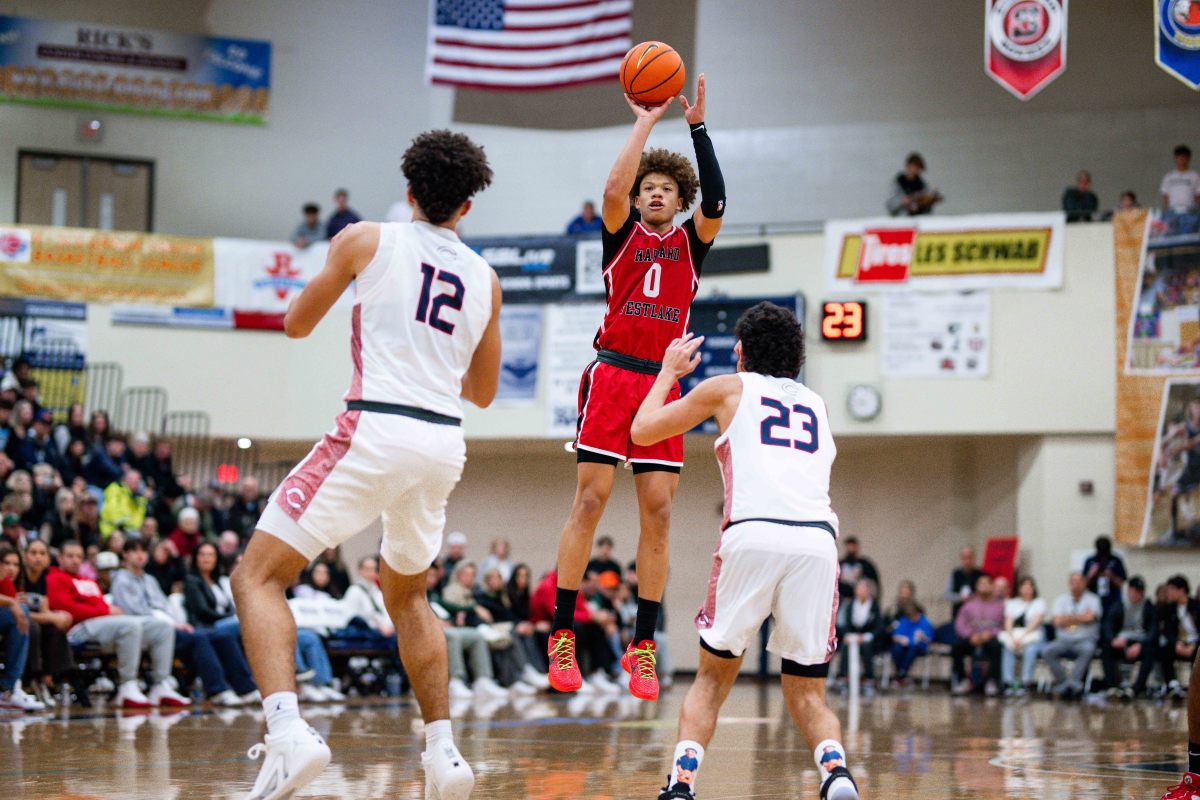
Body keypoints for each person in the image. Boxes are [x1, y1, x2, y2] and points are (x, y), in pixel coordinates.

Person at [228, 129, 499, 800]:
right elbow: (485, 392)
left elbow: (295, 324)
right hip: (442, 444)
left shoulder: (365, 239)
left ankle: (289, 734)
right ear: (467, 206)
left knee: (256, 577)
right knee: (408, 595)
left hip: (375, 426)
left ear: (409, 192)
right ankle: (444, 755)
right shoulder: (485, 278)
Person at [629, 301, 858, 800]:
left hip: (753, 533)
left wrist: (667, 371)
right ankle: (837, 774)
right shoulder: (817, 404)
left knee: (711, 680)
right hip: (817, 543)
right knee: (808, 689)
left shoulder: (728, 387)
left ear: (740, 352)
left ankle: (682, 784)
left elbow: (642, 431)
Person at [547, 75, 725, 703]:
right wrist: (646, 121)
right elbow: (610, 189)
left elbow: (719, 203)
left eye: (665, 189)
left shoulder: (690, 243)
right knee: (590, 502)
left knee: (659, 513)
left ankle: (643, 643)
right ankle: (562, 632)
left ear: (679, 202)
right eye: (648, 187)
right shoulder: (620, 233)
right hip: (614, 373)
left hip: (663, 384)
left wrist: (697, 128)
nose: (653, 194)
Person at [111, 539, 258, 707]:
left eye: (143, 551)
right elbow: (132, 611)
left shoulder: (149, 580)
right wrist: (171, 623)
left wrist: (172, 622)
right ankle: (218, 690)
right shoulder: (121, 579)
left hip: (167, 627)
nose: (140, 555)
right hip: (145, 630)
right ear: (125, 555)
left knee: (222, 637)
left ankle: (246, 688)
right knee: (199, 638)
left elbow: (164, 606)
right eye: (135, 551)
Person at [48, 540, 190, 709]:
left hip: (103, 625)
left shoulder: (88, 581)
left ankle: (160, 684)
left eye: (79, 556)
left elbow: (100, 606)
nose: (75, 560)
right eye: (70, 556)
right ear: (60, 558)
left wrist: (103, 610)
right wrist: (105, 611)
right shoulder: (54, 578)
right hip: (80, 629)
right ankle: (127, 685)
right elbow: (69, 611)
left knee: (162, 627)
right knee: (130, 625)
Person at [1041, 571, 1102, 699]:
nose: (1076, 584)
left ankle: (1073, 683)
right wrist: (1081, 617)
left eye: (1079, 581)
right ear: (1069, 584)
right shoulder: (1060, 600)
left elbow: (1090, 618)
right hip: (1063, 640)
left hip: (1084, 640)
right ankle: (1065, 683)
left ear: (1085, 583)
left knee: (1088, 649)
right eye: (1073, 582)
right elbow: (1057, 621)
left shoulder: (1093, 599)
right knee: (1047, 650)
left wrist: (1067, 618)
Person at [0, 543, 42, 711]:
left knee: (28, 622)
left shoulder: (8, 582)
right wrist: (12, 602)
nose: (11, 568)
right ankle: (10, 688)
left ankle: (11, 688)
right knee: (22, 615)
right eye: (6, 563)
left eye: (16, 564)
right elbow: (13, 607)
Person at [1102, 575, 1156, 699]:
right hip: (1121, 641)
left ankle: (1136, 688)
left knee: (1150, 651)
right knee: (1106, 648)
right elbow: (1108, 625)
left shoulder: (1148, 606)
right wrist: (1112, 639)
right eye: (1133, 590)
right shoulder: (1118, 605)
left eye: (1139, 591)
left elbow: (1153, 631)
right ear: (1129, 590)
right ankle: (1112, 687)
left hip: (1140, 642)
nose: (1135, 593)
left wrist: (1141, 645)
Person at [950, 573, 1004, 696]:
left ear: (992, 586)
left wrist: (990, 633)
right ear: (976, 587)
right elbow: (960, 624)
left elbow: (1003, 625)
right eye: (981, 584)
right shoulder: (968, 605)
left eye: (987, 584)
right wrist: (970, 635)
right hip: (972, 638)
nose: (984, 587)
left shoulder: (1000, 605)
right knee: (956, 647)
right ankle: (963, 680)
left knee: (997, 647)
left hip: (990, 638)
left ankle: (992, 681)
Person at [998, 576, 1046, 696]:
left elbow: (1035, 623)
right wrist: (1013, 638)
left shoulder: (1039, 603)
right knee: (1007, 648)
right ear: (1019, 589)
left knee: (1030, 650)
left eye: (1030, 586)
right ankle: (1008, 682)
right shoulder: (1013, 603)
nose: (1027, 589)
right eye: (1024, 586)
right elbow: (1008, 622)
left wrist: (1022, 638)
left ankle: (1026, 682)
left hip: (1033, 636)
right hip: (1015, 635)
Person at [835, 578, 882, 694]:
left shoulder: (875, 607)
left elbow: (879, 627)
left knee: (867, 646)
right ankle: (843, 677)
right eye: (859, 588)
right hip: (852, 637)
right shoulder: (850, 605)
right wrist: (847, 635)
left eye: (864, 588)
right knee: (845, 646)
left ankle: (869, 679)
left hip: (868, 639)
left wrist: (866, 636)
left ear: (869, 591)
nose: (861, 591)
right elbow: (844, 623)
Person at [1158, 574, 1200, 699]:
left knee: (1197, 654)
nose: (1168, 592)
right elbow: (1167, 632)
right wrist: (1176, 643)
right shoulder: (1169, 609)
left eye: (1171, 589)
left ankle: (1195, 687)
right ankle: (1172, 684)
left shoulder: (1196, 606)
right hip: (1179, 643)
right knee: (1164, 649)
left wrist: (1194, 646)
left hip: (1195, 643)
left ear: (1181, 590)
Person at [889, 599, 933, 686]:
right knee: (896, 649)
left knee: (912, 649)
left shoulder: (925, 622)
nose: (912, 619)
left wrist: (922, 637)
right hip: (904, 646)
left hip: (918, 647)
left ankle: (900, 674)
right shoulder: (905, 620)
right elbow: (895, 636)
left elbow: (929, 640)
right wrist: (901, 638)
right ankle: (902, 674)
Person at [887, 152, 942, 216]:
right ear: (908, 166)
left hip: (919, 218)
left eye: (918, 168)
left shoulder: (922, 184)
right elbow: (890, 204)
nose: (916, 170)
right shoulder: (898, 182)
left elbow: (927, 204)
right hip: (903, 219)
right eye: (915, 167)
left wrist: (928, 199)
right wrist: (902, 202)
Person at [1082, 535, 1126, 617]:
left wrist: (1110, 575)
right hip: (1093, 599)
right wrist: (1091, 574)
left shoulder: (1116, 560)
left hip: (1112, 600)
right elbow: (1083, 584)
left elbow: (1121, 583)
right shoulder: (1090, 561)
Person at [944, 546, 984, 620]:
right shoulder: (955, 574)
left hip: (977, 614)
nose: (967, 561)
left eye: (970, 557)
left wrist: (973, 597)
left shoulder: (981, 574)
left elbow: (986, 594)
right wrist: (960, 597)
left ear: (974, 558)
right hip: (958, 613)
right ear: (961, 559)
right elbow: (947, 595)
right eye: (965, 558)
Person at [1162, 145, 1200, 216]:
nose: (1181, 159)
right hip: (1172, 210)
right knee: (1172, 227)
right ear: (1175, 158)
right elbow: (1165, 196)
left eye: (1184, 157)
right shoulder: (1169, 176)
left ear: (1188, 158)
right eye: (1179, 157)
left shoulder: (1195, 176)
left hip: (1190, 210)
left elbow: (1198, 196)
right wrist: (1166, 211)